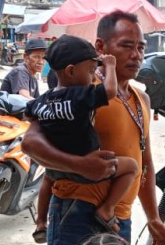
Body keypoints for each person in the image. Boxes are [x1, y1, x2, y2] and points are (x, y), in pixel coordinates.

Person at [22, 10, 165, 245]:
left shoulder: (142, 99)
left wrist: (153, 217)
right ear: (101, 48)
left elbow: (145, 161)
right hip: (78, 213)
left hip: (117, 218)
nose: (136, 55)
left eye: (141, 47)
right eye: (126, 46)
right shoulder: (82, 90)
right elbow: (30, 142)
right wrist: (79, 165)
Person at [26, 35, 139, 233]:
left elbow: (29, 115)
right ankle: (107, 208)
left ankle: (41, 223)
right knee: (131, 167)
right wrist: (110, 65)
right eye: (90, 72)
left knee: (46, 180)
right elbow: (110, 90)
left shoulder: (41, 101)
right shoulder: (80, 95)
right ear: (70, 71)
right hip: (90, 168)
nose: (92, 77)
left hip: (58, 169)